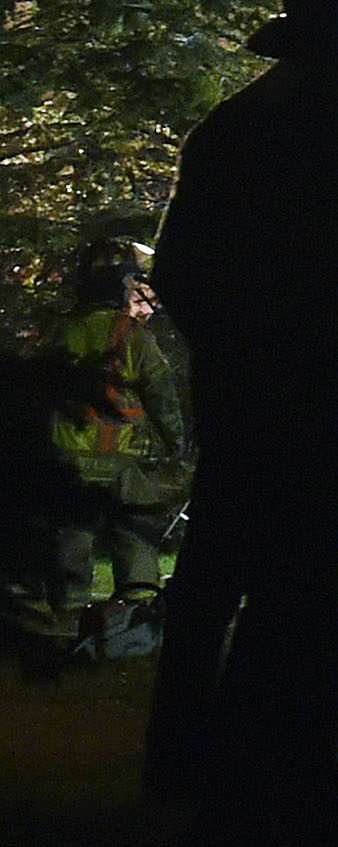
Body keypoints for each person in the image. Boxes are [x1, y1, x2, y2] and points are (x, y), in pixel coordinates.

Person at [144, 0, 338, 835]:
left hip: (240, 391)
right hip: (307, 395)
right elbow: (329, 290)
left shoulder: (234, 124)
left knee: (215, 574)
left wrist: (231, 358)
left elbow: (180, 269)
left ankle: (185, 759)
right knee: (300, 591)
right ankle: (278, 766)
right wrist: (329, 394)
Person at [36, 238, 188, 663]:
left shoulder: (61, 331)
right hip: (119, 463)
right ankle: (136, 621)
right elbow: (161, 395)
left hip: (65, 462)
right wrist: (177, 446)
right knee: (133, 536)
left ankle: (66, 627)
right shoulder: (132, 335)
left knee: (71, 545)